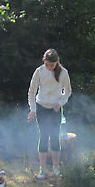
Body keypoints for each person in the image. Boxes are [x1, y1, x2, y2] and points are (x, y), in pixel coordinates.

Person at [27, 48, 72, 179]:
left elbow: (67, 92)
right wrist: (33, 110)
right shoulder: (39, 71)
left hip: (55, 110)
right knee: (44, 136)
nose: (49, 67)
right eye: (47, 64)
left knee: (55, 137)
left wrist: (60, 103)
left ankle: (56, 168)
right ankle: (42, 169)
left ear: (57, 62)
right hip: (41, 108)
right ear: (44, 61)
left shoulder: (64, 73)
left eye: (51, 65)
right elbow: (31, 92)